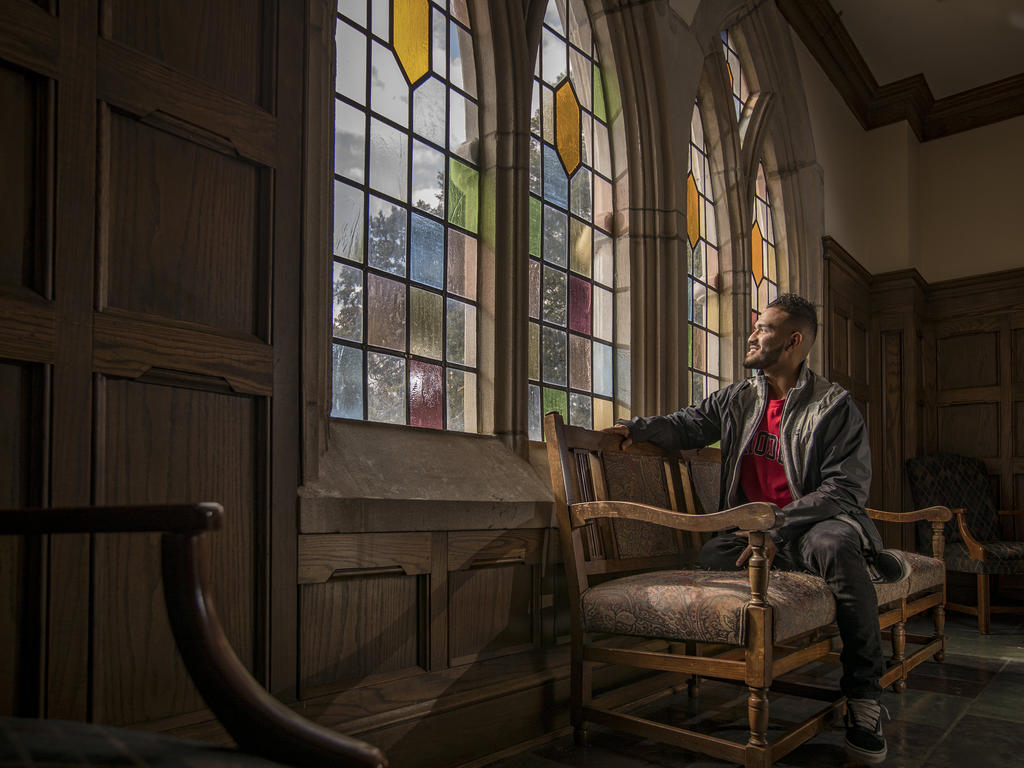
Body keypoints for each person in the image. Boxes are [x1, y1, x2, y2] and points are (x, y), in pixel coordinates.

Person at [603, 293, 901, 765]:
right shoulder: (739, 397)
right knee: (713, 556)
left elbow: (846, 488)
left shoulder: (833, 406)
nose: (751, 335)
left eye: (763, 328)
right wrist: (636, 429)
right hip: (751, 535)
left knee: (836, 545)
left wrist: (779, 524)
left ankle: (864, 698)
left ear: (794, 340)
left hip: (810, 525)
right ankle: (840, 568)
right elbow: (688, 425)